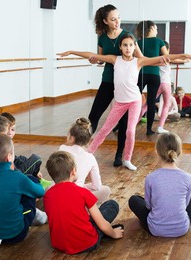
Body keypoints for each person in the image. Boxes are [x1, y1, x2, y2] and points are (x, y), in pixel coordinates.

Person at [57, 34, 191, 171]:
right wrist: (71, 52)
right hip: (120, 102)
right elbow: (91, 55)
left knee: (130, 130)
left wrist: (185, 55)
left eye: (131, 45)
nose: (128, 48)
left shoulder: (139, 61)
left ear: (134, 47)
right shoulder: (114, 59)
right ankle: (88, 154)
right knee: (105, 129)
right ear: (120, 47)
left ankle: (127, 159)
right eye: (125, 45)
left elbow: (165, 56)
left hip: (134, 100)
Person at [58, 4, 143, 168]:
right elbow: (99, 57)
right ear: (105, 21)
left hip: (127, 85)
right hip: (108, 81)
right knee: (93, 117)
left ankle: (120, 156)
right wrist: (92, 58)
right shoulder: (102, 37)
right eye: (113, 19)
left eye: (118, 17)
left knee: (124, 124)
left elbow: (140, 59)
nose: (117, 21)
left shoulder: (128, 36)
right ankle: (82, 149)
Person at [44, 150, 124, 255]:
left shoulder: (47, 195)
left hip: (59, 244)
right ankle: (107, 232)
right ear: (73, 171)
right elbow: (102, 224)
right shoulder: (82, 192)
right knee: (112, 205)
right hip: (87, 243)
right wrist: (114, 234)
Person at [128, 132, 191, 237]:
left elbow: (149, 206)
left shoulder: (151, 178)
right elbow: (185, 204)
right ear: (179, 152)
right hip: (181, 229)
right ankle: (178, 222)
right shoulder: (187, 177)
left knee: (134, 200)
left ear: (157, 152)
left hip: (155, 229)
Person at [0, 134, 46, 244]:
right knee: (31, 181)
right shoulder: (17, 177)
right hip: (15, 235)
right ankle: (41, 217)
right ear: (9, 157)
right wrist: (37, 184)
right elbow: (40, 192)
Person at [59, 117, 111, 204]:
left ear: (72, 138)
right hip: (76, 197)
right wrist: (83, 185)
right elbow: (97, 186)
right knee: (106, 190)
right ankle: (88, 209)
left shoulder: (62, 148)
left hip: (59, 194)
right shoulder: (90, 157)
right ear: (88, 141)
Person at [1, 112, 52, 189]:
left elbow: (16, 159)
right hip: (14, 176)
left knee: (22, 159)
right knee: (36, 159)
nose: (10, 133)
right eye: (8, 129)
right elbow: (11, 167)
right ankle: (38, 180)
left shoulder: (5, 143)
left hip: (13, 172)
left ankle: (38, 179)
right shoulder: (5, 144)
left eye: (13, 130)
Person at [136, 20, 169, 135]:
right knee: (151, 103)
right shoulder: (159, 41)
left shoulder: (138, 42)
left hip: (141, 74)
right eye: (155, 28)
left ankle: (123, 124)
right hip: (154, 76)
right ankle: (149, 130)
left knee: (131, 99)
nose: (157, 30)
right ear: (150, 28)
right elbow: (167, 57)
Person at [156, 42, 191, 133]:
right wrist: (185, 60)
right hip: (166, 84)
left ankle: (135, 120)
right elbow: (176, 59)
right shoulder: (166, 59)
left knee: (148, 104)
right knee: (166, 105)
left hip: (159, 84)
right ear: (166, 50)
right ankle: (160, 127)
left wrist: (184, 59)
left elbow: (176, 59)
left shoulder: (157, 59)